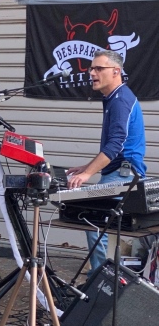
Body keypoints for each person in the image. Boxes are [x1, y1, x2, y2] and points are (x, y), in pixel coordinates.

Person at [66, 49, 146, 272]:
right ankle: (104, 276)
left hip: (124, 175)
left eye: (99, 68)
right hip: (120, 171)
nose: (92, 73)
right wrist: (86, 167)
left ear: (116, 71)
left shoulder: (120, 100)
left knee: (93, 221)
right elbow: (114, 147)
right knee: (99, 223)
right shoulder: (114, 98)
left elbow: (116, 145)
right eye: (91, 68)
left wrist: (87, 174)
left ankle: (100, 279)